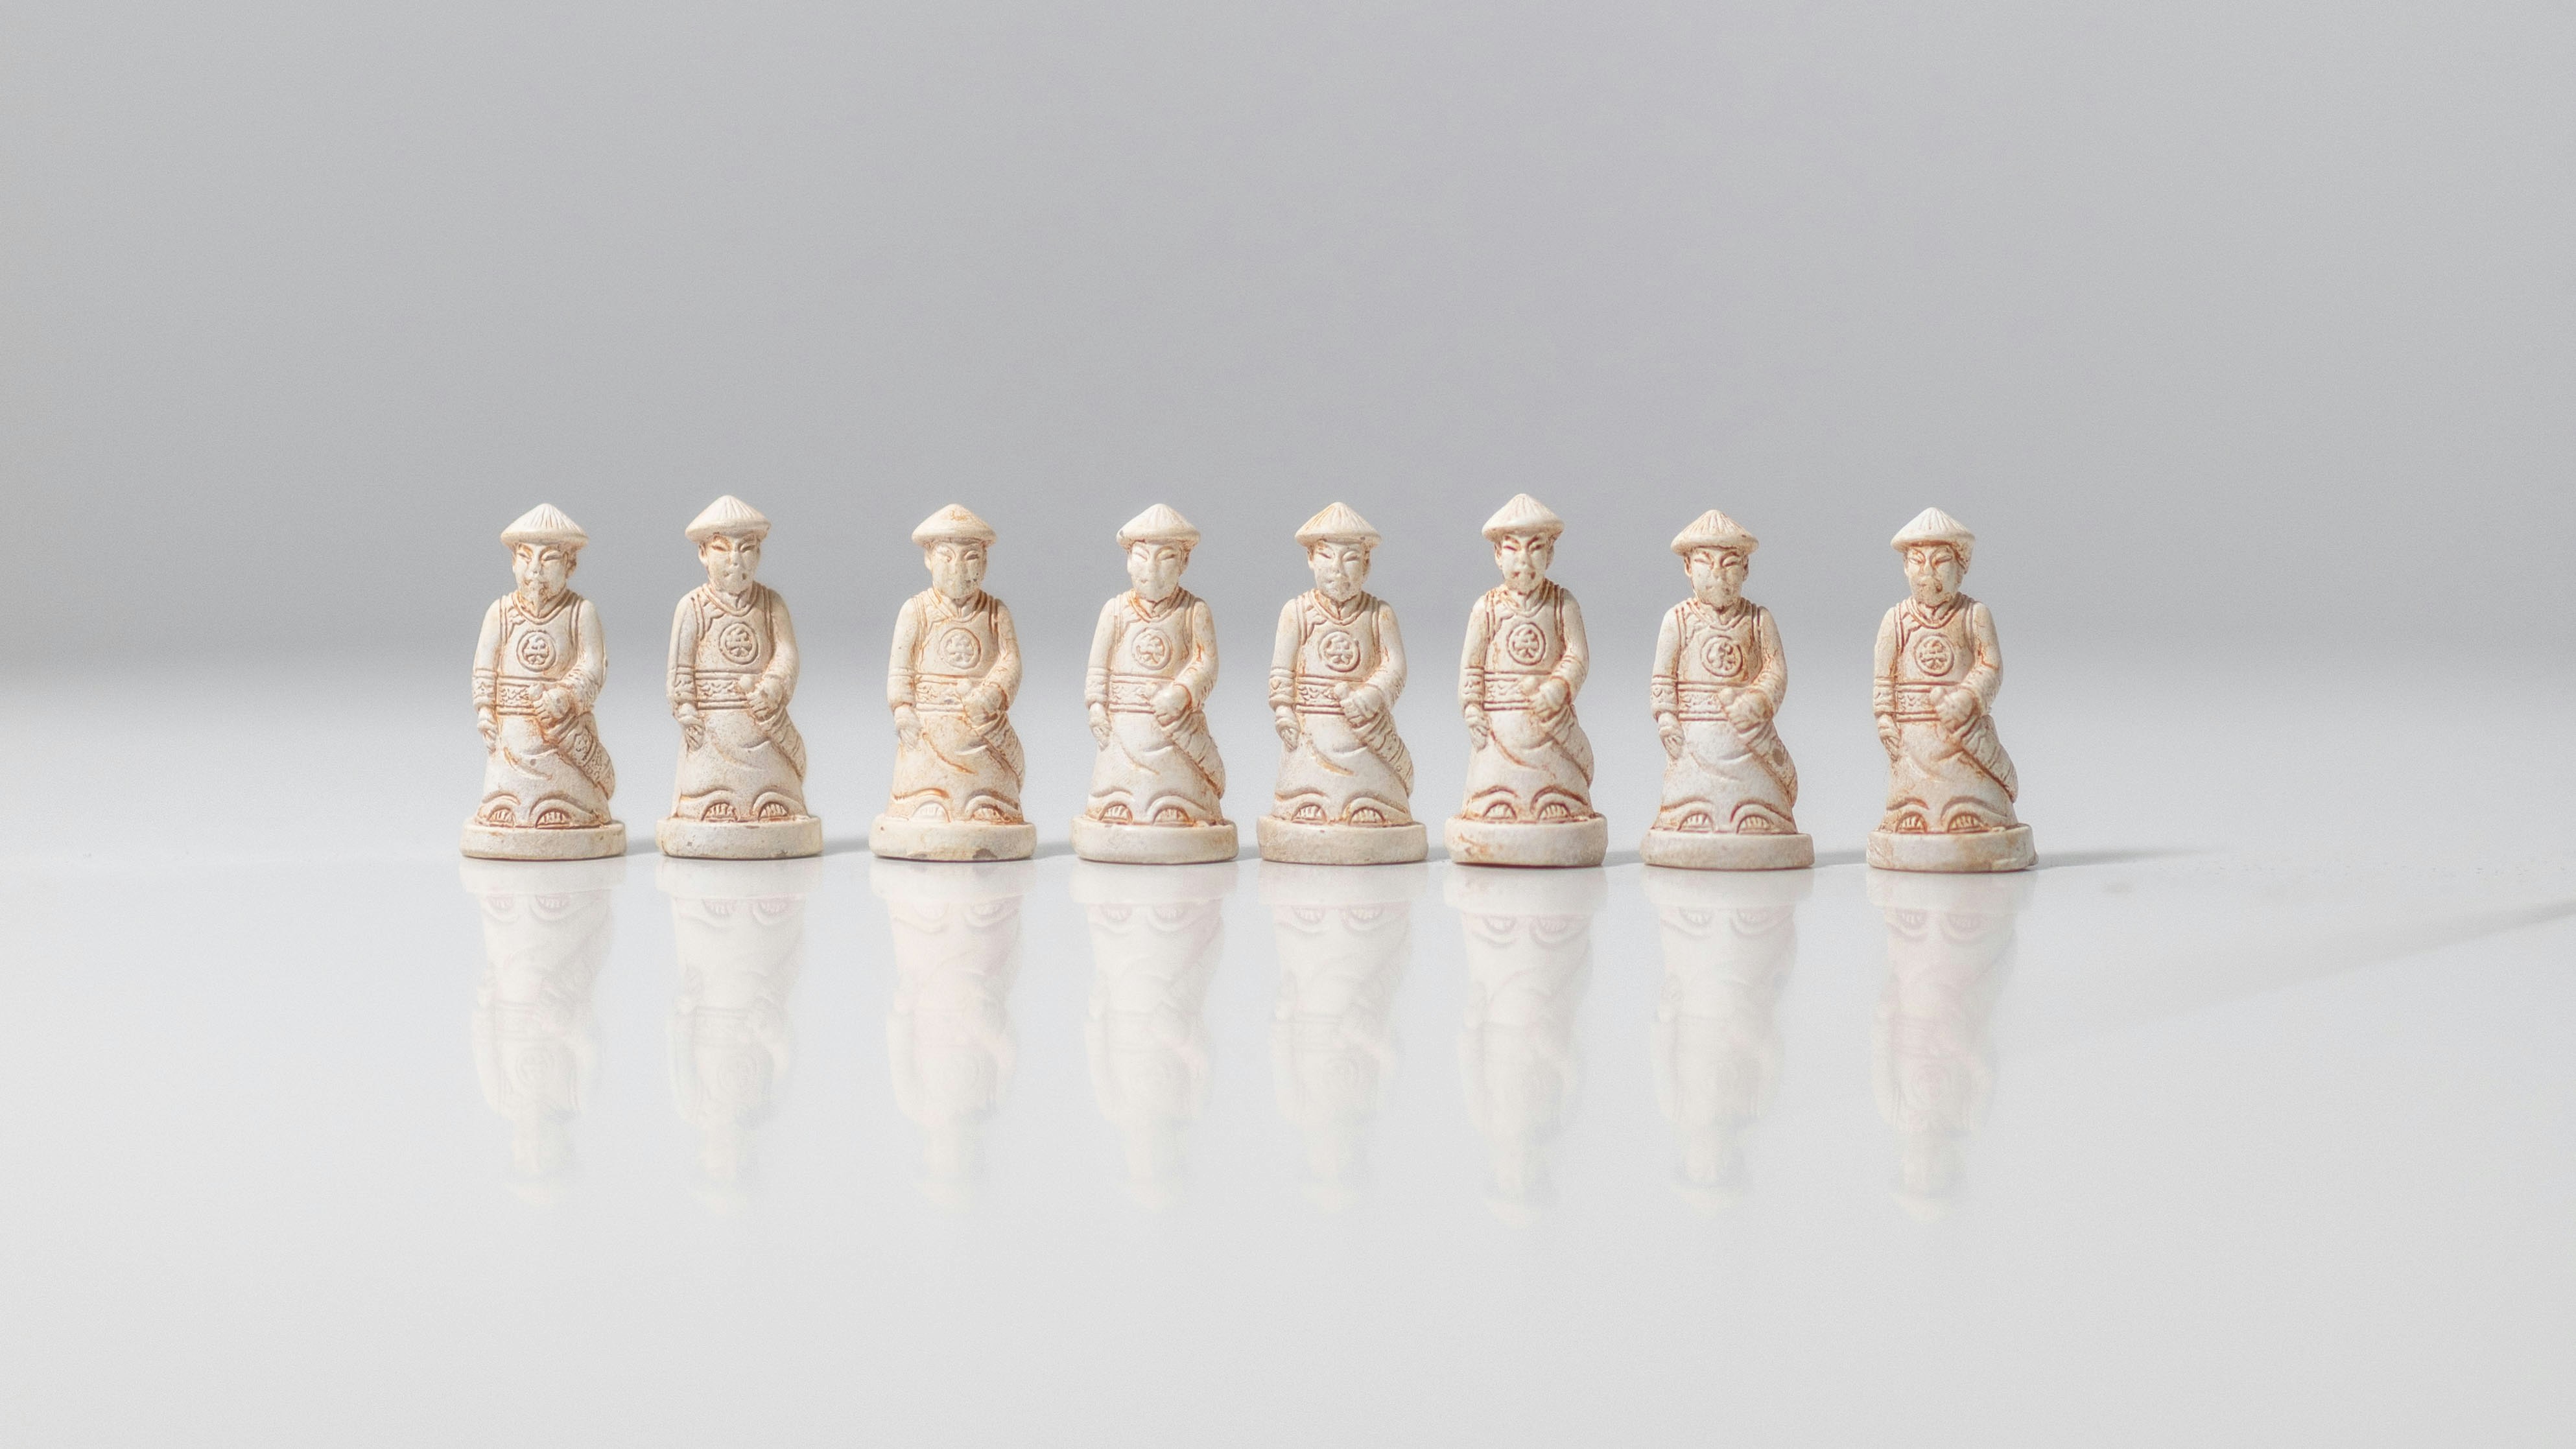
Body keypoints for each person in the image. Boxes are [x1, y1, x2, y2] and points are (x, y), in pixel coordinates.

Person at [467, 504, 617, 843]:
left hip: (563, 737)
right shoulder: (501, 613)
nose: (534, 569)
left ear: (571, 563)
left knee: (569, 799)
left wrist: (566, 696)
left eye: (548, 558)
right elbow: (484, 666)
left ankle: (573, 811)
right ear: (513, 562)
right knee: (505, 799)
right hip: (513, 738)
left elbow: (594, 666)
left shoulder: (581, 613)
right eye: (525, 557)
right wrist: (485, 711)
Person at [1648, 510, 1799, 838]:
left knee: (1758, 802)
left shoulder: (1758, 619)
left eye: (1729, 562)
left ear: (1746, 568)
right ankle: (1689, 816)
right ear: (1688, 567)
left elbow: (1775, 669)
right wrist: (1666, 718)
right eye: (1705, 562)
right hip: (1695, 740)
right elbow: (1663, 679)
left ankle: (1760, 815)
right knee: (1690, 800)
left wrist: (1758, 700)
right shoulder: (1678, 620)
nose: (1718, 573)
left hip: (1746, 737)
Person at [1266, 501, 1414, 831]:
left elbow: (1395, 666)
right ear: (1310, 559)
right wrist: (1283, 710)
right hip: (1312, 728)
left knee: (1370, 785)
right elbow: (1282, 669)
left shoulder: (1379, 614)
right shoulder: (1297, 612)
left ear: (1366, 563)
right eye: (1327, 557)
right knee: (1307, 784)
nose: (1338, 569)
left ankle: (1374, 805)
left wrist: (1373, 693)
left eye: (1350, 559)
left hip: (1364, 728)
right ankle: (1306, 805)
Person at [1873, 508, 2020, 836]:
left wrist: (1968, 696)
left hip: (1962, 734)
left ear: (1961, 567)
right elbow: (1884, 677)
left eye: (1940, 561)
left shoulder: (1974, 615)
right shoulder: (1895, 620)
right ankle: (1910, 815)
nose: (1928, 572)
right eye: (1917, 560)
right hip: (1914, 738)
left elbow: (1991, 664)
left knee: (1971, 795)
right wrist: (1885, 718)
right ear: (1905, 567)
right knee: (1912, 799)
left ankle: (1977, 812)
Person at [667, 495, 810, 828]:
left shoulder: (771, 603)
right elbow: (680, 666)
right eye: (722, 549)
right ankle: (711, 801)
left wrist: (773, 686)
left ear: (759, 552)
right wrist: (686, 708)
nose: (735, 560)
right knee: (708, 783)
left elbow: (787, 653)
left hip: (762, 724)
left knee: (773, 782)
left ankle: (773, 799)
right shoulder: (693, 607)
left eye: (746, 548)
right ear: (703, 553)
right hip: (712, 728)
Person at [1081, 504, 1225, 829]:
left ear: (1184, 562)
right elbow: (1098, 667)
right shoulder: (1115, 611)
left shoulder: (1194, 611)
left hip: (1174, 725)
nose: (1152, 569)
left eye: (1166, 558)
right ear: (1128, 561)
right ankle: (1116, 803)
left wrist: (1181, 691)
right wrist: (1096, 707)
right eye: (1142, 557)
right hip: (1125, 724)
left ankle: (1180, 804)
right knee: (1118, 777)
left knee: (1175, 778)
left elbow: (1206, 662)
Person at [883, 504, 1026, 829]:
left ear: (985, 561)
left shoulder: (995, 612)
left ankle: (988, 803)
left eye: (971, 557)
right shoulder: (916, 611)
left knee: (986, 777)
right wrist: (903, 709)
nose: (959, 568)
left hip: (982, 726)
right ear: (928, 559)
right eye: (947, 556)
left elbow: (1010, 659)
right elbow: (900, 667)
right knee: (925, 773)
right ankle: (926, 801)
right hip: (931, 726)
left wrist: (992, 693)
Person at [1456, 493, 1596, 824]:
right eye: (1513, 549)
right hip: (1499, 729)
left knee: (1558, 793)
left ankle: (1560, 805)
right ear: (1497, 555)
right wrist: (1473, 707)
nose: (1524, 561)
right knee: (1493, 794)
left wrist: (1558, 686)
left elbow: (1577, 655)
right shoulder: (1486, 608)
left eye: (1535, 548)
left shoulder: (1562, 604)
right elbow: (1472, 666)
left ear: (1550, 553)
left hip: (1549, 724)